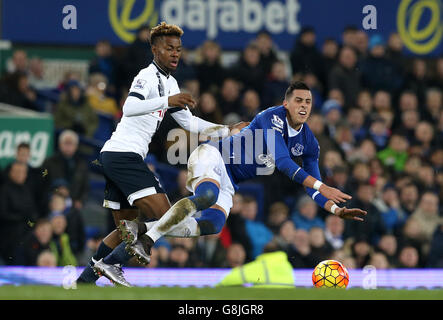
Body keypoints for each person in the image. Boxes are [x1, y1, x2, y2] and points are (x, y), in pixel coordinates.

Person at [117, 81, 367, 285]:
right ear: (286, 104)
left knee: (213, 223)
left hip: (231, 180)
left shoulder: (310, 143)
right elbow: (283, 162)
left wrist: (335, 209)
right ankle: (148, 240)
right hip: (213, 155)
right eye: (298, 100)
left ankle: (141, 228)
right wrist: (321, 186)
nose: (303, 105)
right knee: (207, 196)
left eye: (308, 102)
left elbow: (311, 188)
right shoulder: (272, 117)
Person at [78, 22, 243, 286]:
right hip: (124, 155)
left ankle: (83, 283)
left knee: (125, 233)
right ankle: (110, 264)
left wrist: (227, 130)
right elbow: (129, 106)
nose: (175, 53)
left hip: (117, 157)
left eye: (178, 49)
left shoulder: (170, 82)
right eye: (169, 48)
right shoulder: (147, 76)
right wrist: (168, 102)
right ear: (155, 50)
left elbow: (190, 124)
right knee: (164, 216)